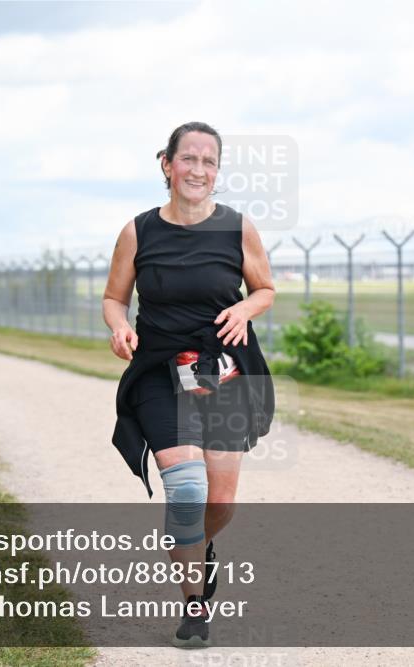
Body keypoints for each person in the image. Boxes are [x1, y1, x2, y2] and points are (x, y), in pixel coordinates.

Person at [103, 122, 276, 648]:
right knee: (187, 492)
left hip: (223, 373)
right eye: (188, 158)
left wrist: (245, 309)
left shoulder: (238, 229)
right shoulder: (138, 231)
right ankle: (195, 604)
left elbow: (265, 288)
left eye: (209, 161)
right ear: (167, 164)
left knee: (219, 503)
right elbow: (114, 298)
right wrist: (119, 326)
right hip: (160, 371)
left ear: (217, 170)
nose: (198, 170)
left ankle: (196, 547)